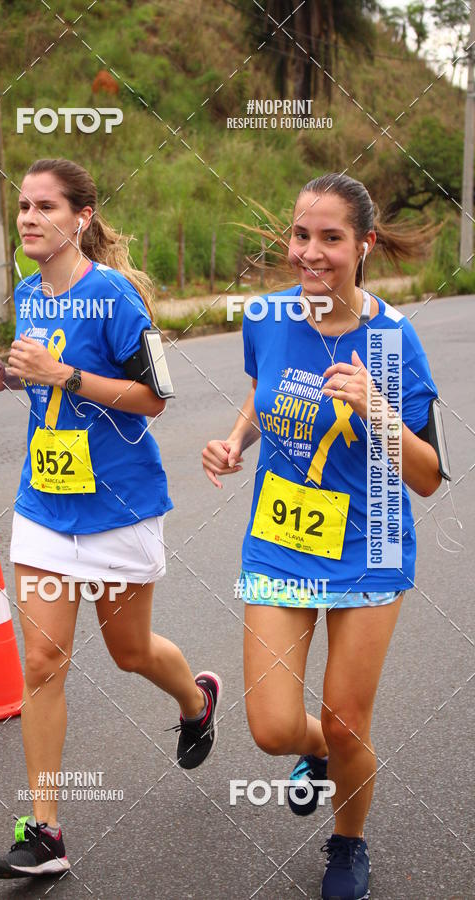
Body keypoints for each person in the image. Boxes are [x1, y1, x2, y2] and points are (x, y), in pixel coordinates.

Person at [0, 158, 222, 879]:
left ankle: (195, 699)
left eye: (44, 206)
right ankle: (44, 830)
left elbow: (154, 398)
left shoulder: (113, 295)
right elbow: (41, 377)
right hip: (46, 508)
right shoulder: (28, 294)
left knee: (131, 653)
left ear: (79, 219)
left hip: (118, 508)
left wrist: (64, 378)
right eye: (22, 205)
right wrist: (10, 375)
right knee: (43, 663)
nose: (28, 217)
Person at [202, 173, 445, 900]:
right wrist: (237, 439)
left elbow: (430, 475)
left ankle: (348, 843)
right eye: (302, 235)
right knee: (276, 729)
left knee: (346, 722)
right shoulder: (267, 316)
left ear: (364, 244)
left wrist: (377, 408)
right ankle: (322, 755)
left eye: (331, 238)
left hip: (367, 547)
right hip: (279, 541)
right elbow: (262, 387)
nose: (311, 253)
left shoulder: (393, 339)